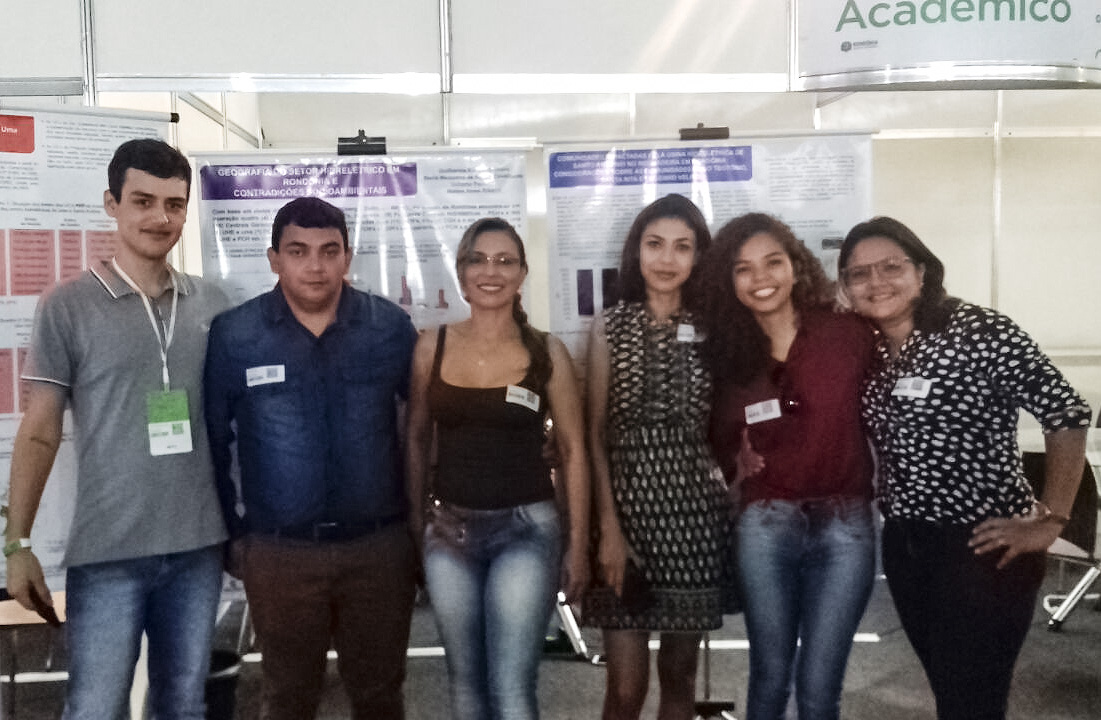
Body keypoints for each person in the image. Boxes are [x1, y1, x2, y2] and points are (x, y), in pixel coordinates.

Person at [4, 138, 230, 719]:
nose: (160, 218)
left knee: (183, 704)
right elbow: (40, 431)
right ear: (112, 204)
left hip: (197, 547)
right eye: (143, 201)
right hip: (108, 551)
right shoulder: (67, 306)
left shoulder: (213, 304)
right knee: (95, 707)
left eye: (174, 204)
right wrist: (18, 544)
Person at [837, 216, 1092, 720]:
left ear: (922, 271)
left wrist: (1053, 519)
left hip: (982, 546)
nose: (876, 281)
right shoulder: (867, 347)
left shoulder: (977, 330)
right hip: (906, 544)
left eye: (891, 267)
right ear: (846, 286)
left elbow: (1066, 413)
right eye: (859, 273)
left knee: (972, 700)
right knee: (952, 691)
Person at [204, 196, 419, 719]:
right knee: (288, 699)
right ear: (274, 259)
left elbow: (426, 426)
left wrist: (422, 525)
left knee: (379, 698)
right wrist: (233, 534)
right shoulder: (237, 334)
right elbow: (213, 439)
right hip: (281, 555)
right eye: (298, 251)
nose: (315, 265)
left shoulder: (389, 328)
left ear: (348, 256)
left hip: (378, 550)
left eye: (329, 250)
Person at [406, 217, 589, 720]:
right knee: (465, 686)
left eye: (505, 261)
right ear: (462, 272)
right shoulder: (431, 346)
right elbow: (416, 439)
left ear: (522, 273)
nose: (492, 271)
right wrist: (416, 525)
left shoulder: (547, 351)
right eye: (479, 260)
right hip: (449, 534)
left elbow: (573, 451)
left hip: (526, 531)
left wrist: (578, 544)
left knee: (510, 688)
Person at [702, 213, 877, 720]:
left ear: (796, 266)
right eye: (743, 269)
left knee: (819, 687)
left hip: (845, 527)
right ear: (729, 281)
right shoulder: (725, 356)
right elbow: (714, 444)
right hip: (766, 524)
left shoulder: (847, 334)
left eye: (773, 262)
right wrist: (734, 467)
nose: (761, 278)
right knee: (770, 678)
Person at [582, 194, 729, 720]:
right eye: (655, 244)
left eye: (682, 247)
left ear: (699, 256)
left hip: (695, 520)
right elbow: (595, 433)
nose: (667, 259)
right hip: (624, 515)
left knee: (679, 675)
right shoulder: (610, 325)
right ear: (636, 251)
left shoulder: (715, 327)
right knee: (625, 689)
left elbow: (729, 422)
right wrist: (608, 529)